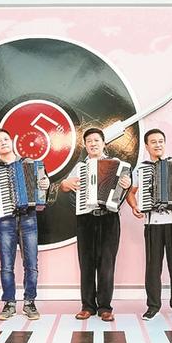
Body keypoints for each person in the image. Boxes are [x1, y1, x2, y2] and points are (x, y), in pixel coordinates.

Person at [60, 128, 131, 322]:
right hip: (86, 218)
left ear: (103, 143)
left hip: (109, 218)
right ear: (85, 145)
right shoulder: (80, 167)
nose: (93, 143)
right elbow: (64, 186)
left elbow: (124, 189)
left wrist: (126, 184)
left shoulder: (117, 165)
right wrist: (66, 183)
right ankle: (87, 306)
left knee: (107, 263)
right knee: (86, 264)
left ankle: (105, 307)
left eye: (96, 140)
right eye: (89, 141)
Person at [125, 129, 172, 322]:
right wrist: (134, 206)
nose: (158, 145)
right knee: (153, 266)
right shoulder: (141, 169)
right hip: (152, 223)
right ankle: (153, 306)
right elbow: (130, 192)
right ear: (146, 146)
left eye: (161, 141)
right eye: (153, 142)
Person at [0, 128, 49, 321]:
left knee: (31, 264)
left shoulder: (29, 163)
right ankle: (9, 303)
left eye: (5, 139)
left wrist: (45, 184)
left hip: (29, 217)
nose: (3, 142)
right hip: (5, 220)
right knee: (6, 264)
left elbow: (42, 189)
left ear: (11, 141)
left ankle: (29, 302)